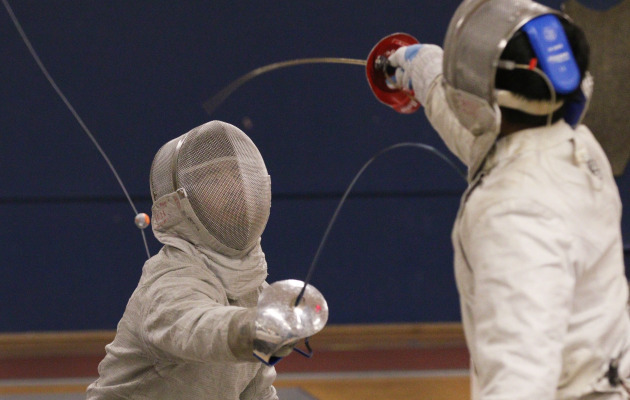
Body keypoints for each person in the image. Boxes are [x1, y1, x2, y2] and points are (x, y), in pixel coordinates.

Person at [371, 0, 630, 398]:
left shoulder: (517, 210)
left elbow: (520, 378)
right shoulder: (574, 144)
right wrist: (421, 68)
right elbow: (481, 135)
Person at [86, 120, 328, 400]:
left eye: (238, 177)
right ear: (180, 204)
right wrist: (254, 329)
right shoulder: (171, 278)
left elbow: (257, 392)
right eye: (214, 180)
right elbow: (194, 327)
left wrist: (258, 328)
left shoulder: (254, 290)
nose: (233, 188)